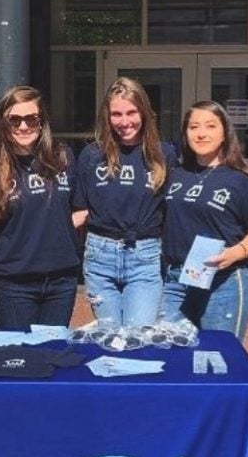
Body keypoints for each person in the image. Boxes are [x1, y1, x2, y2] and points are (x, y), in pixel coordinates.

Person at [161, 100, 248, 341]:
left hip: (224, 282)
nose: (201, 134)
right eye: (193, 127)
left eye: (210, 126)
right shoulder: (176, 174)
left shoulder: (243, 180)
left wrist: (235, 253)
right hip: (176, 281)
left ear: (224, 133)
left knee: (218, 359)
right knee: (172, 356)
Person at [73, 77, 175, 326]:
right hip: (99, 256)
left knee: (137, 337)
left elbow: (176, 210)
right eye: (116, 114)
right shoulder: (92, 155)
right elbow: (80, 211)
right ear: (107, 117)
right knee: (109, 338)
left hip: (145, 256)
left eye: (131, 112)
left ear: (145, 113)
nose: (124, 121)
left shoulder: (164, 155)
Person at [0, 86, 82, 330]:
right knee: (22, 358)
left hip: (61, 279)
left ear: (42, 122)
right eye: (14, 120)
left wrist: (53, 232)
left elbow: (80, 209)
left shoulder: (63, 158)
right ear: (3, 124)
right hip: (15, 282)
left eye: (31, 119)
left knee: (53, 355)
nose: (23, 126)